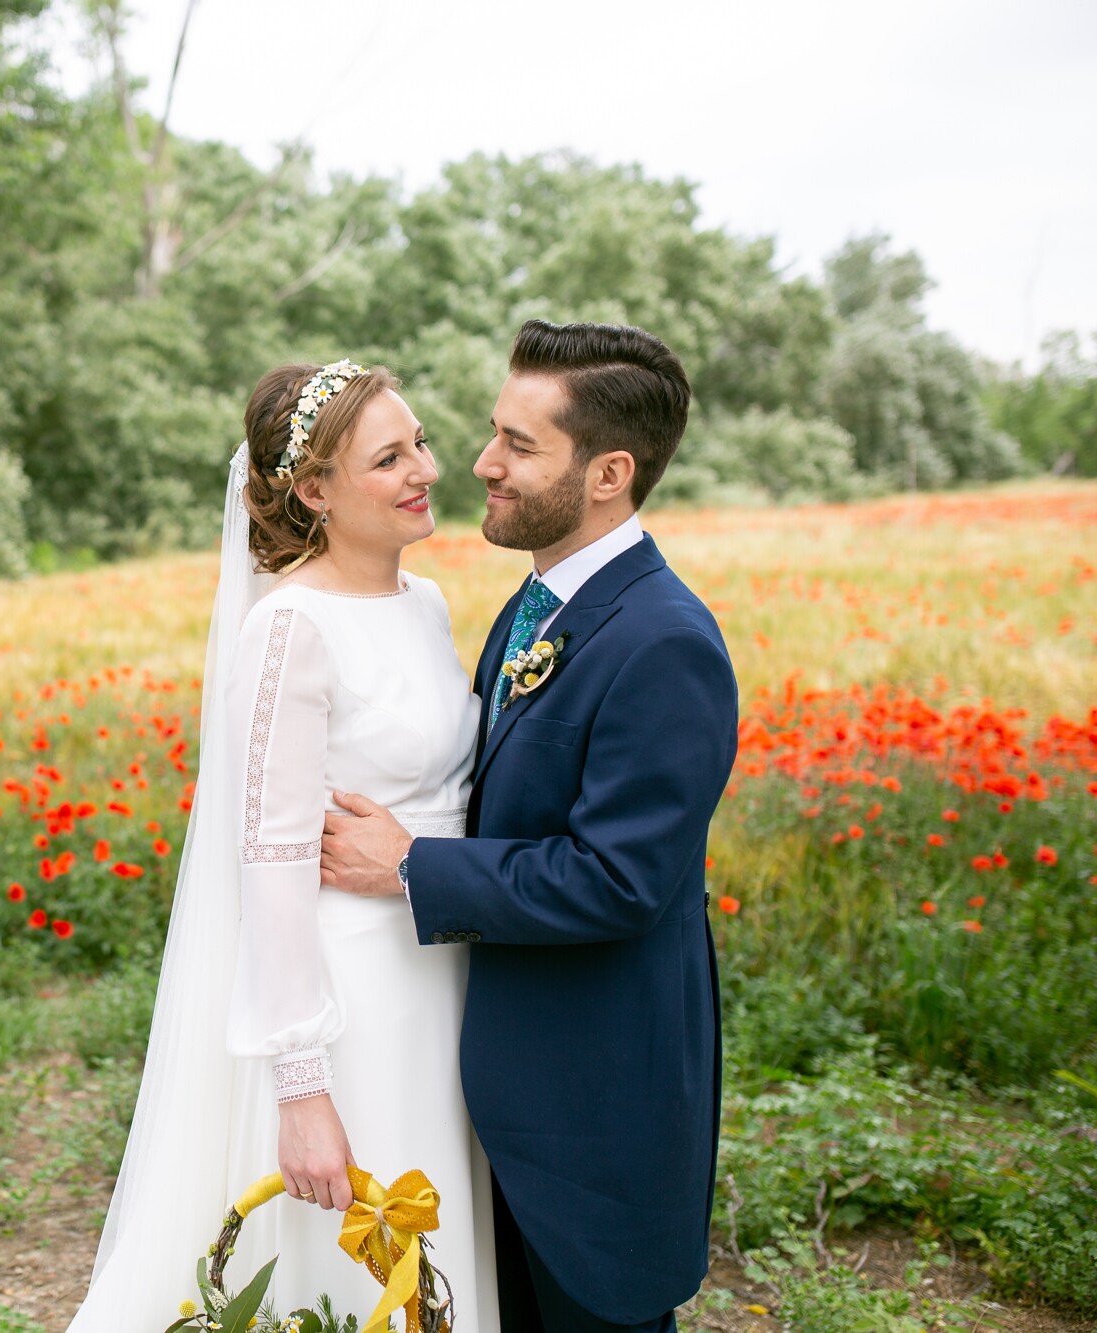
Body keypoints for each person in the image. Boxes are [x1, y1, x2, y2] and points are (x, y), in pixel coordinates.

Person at [321, 321, 740, 1333]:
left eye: (518, 443)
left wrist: (415, 866)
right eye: (491, 432)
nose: (479, 463)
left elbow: (617, 879)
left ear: (607, 472)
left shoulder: (665, 643)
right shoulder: (534, 605)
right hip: (496, 1096)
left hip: (592, 1112)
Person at [69, 361, 500, 1330]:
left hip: (442, 975)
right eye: (388, 458)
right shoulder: (289, 629)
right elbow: (266, 867)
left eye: (419, 442)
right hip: (351, 999)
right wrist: (301, 1091)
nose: (423, 469)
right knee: (350, 1259)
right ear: (312, 489)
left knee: (431, 1242)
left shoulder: (424, 604)